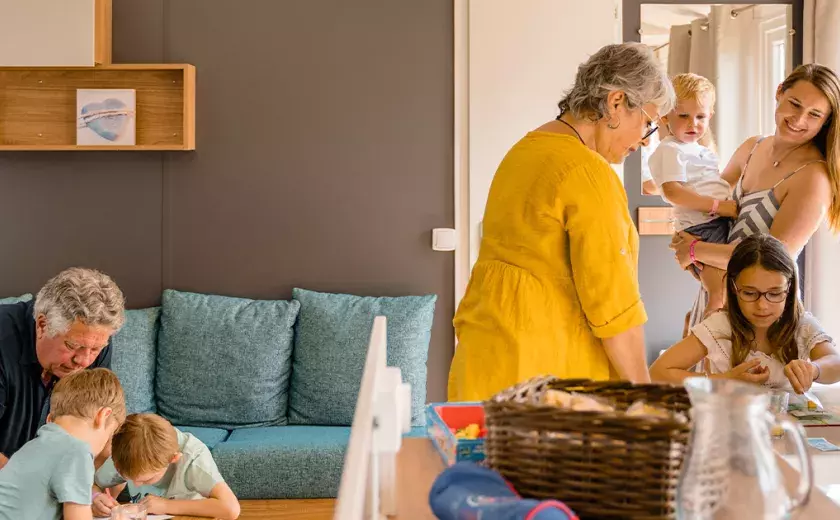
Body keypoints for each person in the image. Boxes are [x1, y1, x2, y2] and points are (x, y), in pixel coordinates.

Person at [447, 42, 675, 401]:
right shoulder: (589, 173)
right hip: (544, 380)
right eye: (647, 124)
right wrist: (644, 397)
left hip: (484, 360)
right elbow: (613, 306)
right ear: (616, 103)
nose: (645, 142)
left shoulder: (524, 150)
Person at [671, 64, 840, 330]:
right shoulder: (752, 148)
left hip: (762, 314)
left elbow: (772, 259)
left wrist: (694, 250)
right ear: (779, 92)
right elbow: (707, 206)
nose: (799, 120)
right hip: (718, 297)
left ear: (824, 122)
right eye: (795, 104)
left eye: (814, 115)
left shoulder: (813, 177)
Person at [651, 234, 840, 393]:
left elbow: (835, 364)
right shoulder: (720, 326)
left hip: (784, 429)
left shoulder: (801, 324)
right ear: (733, 288)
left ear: (789, 289)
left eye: (774, 293)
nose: (762, 305)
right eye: (750, 293)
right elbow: (658, 373)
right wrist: (723, 380)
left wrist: (814, 370)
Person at [0, 267, 125, 470]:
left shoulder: (93, 341)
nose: (85, 362)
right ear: (42, 325)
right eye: (72, 346)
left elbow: (102, 426)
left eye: (95, 349)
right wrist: (31, 485)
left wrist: (94, 488)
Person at [649, 73, 739, 317]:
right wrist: (718, 206)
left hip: (712, 221)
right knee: (718, 293)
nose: (693, 124)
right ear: (665, 116)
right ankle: (707, 335)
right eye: (684, 116)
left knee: (725, 287)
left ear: (710, 116)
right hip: (704, 226)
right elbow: (673, 191)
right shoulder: (670, 149)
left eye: (700, 117)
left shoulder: (698, 150)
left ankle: (698, 324)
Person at [0, 368, 126, 520]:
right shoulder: (77, 451)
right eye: (109, 434)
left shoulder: (36, 444)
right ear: (103, 416)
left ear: (50, 418)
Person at [92, 413, 240, 520]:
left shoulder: (192, 457)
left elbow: (231, 508)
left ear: (173, 459)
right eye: (128, 478)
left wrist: (166, 506)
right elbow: (93, 484)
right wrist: (96, 497)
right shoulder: (127, 453)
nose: (135, 484)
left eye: (146, 479)